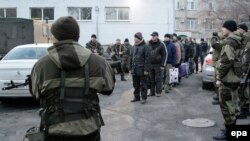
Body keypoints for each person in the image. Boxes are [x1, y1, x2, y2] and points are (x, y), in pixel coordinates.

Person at [29, 16, 115, 141]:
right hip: (89, 129)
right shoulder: (99, 62)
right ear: (77, 36)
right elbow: (108, 89)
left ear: (55, 37)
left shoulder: (41, 65)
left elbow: (36, 94)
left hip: (55, 130)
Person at [213, 20, 243, 140]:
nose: (222, 30)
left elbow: (226, 62)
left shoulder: (230, 42)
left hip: (227, 79)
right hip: (234, 78)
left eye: (223, 28)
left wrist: (219, 78)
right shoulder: (237, 40)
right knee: (232, 106)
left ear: (228, 29)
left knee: (225, 106)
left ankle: (229, 133)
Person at [129, 32, 151, 104]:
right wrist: (130, 69)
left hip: (142, 69)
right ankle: (136, 97)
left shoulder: (146, 47)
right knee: (135, 84)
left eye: (136, 37)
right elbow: (131, 58)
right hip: (134, 69)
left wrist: (146, 69)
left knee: (143, 84)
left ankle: (144, 98)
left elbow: (147, 59)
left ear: (139, 38)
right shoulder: (133, 47)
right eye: (134, 37)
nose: (134, 39)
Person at [148, 32, 167, 97]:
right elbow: (146, 54)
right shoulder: (148, 44)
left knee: (158, 79)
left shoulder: (161, 44)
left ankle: (158, 92)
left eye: (154, 36)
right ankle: (152, 92)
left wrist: (162, 65)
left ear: (157, 36)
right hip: (150, 64)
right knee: (151, 79)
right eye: (152, 36)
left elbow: (165, 55)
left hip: (158, 65)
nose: (153, 37)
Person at [237, 23, 250, 119]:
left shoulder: (247, 40)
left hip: (246, 69)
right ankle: (245, 110)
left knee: (243, 89)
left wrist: (245, 69)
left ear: (244, 30)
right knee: (244, 89)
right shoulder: (244, 39)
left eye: (239, 29)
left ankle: (244, 111)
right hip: (244, 68)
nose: (238, 31)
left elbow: (247, 56)